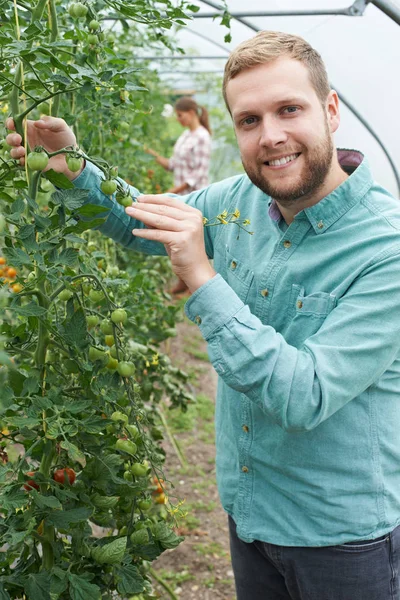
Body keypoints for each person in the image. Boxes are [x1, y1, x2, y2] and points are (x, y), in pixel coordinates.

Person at [7, 30, 400, 600]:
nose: (271, 136)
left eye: (290, 109)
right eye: (249, 120)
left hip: (340, 540)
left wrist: (200, 275)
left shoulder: (385, 249)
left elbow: (303, 395)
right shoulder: (237, 201)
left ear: (332, 110)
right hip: (250, 512)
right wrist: (74, 168)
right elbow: (137, 222)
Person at [145, 96, 212, 294]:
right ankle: (185, 282)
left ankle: (197, 285)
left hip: (195, 196)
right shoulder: (185, 136)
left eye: (180, 115)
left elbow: (197, 174)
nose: (178, 119)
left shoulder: (202, 137)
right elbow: (172, 165)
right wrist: (152, 155)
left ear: (191, 113)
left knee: (194, 242)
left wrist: (171, 193)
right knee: (177, 239)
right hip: (182, 196)